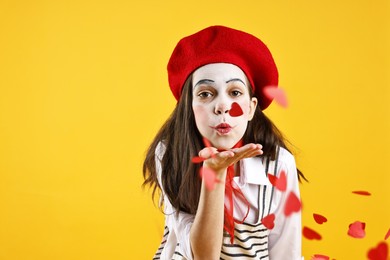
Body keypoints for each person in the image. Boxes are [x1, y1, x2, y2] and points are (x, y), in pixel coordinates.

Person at [143, 25, 304, 260]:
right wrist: (215, 175)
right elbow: (203, 256)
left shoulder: (279, 164)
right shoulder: (168, 154)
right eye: (205, 94)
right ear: (189, 108)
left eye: (235, 93)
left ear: (251, 108)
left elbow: (286, 253)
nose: (222, 106)